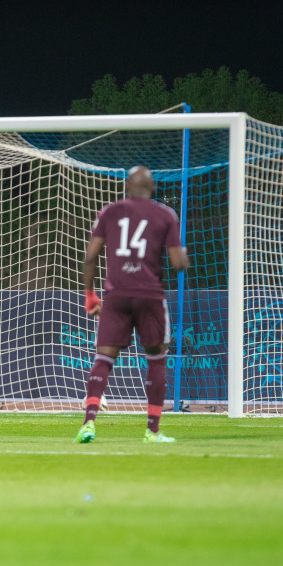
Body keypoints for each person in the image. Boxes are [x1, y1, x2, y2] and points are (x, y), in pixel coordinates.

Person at [76, 166, 190, 444]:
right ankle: (152, 431)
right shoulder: (165, 214)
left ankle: (88, 423)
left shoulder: (109, 211)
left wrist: (90, 294)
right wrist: (182, 255)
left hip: (116, 295)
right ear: (153, 189)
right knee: (156, 358)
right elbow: (177, 263)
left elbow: (90, 257)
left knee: (103, 358)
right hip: (150, 296)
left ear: (127, 187)